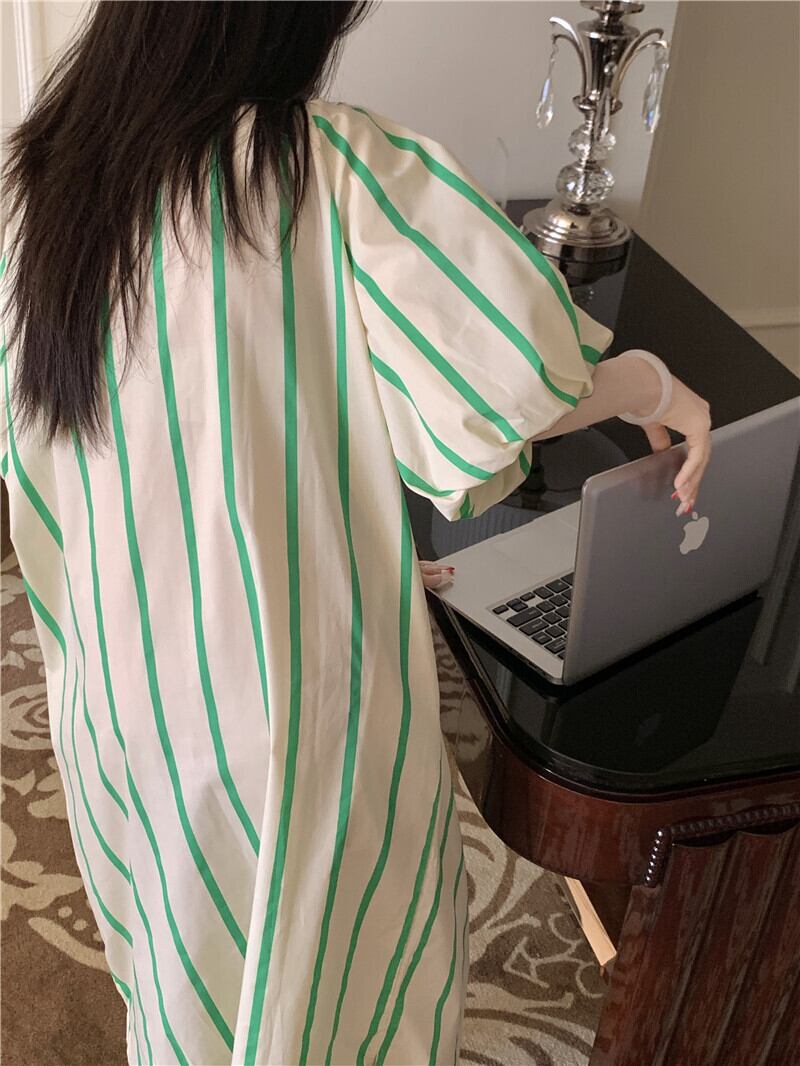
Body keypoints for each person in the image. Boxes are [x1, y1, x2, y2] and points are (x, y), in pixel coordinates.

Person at [0, 3, 711, 1063]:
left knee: (185, 957)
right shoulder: (329, 172)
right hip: (296, 713)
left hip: (121, 686)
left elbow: (137, 443)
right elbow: (508, 392)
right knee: (350, 968)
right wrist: (651, 384)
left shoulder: (47, 177)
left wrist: (345, 534)